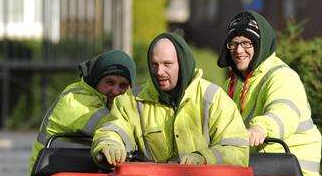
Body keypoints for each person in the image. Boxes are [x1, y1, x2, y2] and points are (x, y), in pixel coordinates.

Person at [92, 32, 249, 166]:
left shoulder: (213, 98)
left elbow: (237, 151)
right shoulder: (131, 100)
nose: (159, 71)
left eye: (167, 64)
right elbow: (112, 130)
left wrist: (203, 158)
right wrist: (110, 144)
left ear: (183, 64)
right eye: (154, 65)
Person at [216, 11, 322, 176]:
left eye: (246, 43)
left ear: (260, 45)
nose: (239, 50)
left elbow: (283, 112)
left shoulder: (282, 77)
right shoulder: (232, 85)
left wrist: (260, 129)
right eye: (233, 43)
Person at [26, 49, 136, 176]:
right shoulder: (74, 100)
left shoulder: (110, 103)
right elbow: (113, 127)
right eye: (109, 82)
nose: (115, 91)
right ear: (96, 81)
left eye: (123, 85)